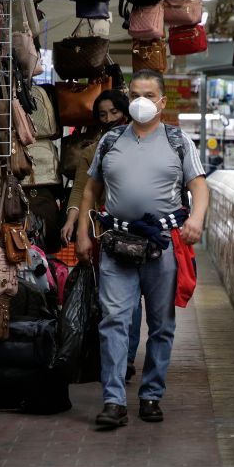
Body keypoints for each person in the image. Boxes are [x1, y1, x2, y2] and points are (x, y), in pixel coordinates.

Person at [77, 69, 209, 427]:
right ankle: (114, 400)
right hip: (116, 242)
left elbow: (198, 186)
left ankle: (151, 394)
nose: (141, 101)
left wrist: (195, 219)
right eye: (135, 94)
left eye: (149, 95)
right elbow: (91, 190)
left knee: (161, 324)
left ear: (162, 102)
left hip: (162, 244)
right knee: (114, 320)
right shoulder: (110, 141)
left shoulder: (179, 141)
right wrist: (82, 233)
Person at [61, 90, 142, 382]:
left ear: (126, 111)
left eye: (113, 112)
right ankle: (113, 357)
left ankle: (127, 358)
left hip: (137, 231)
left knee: (130, 299)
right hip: (103, 231)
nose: (109, 119)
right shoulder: (93, 149)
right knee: (112, 297)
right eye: (102, 115)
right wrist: (73, 220)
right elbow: (82, 190)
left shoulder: (145, 145)